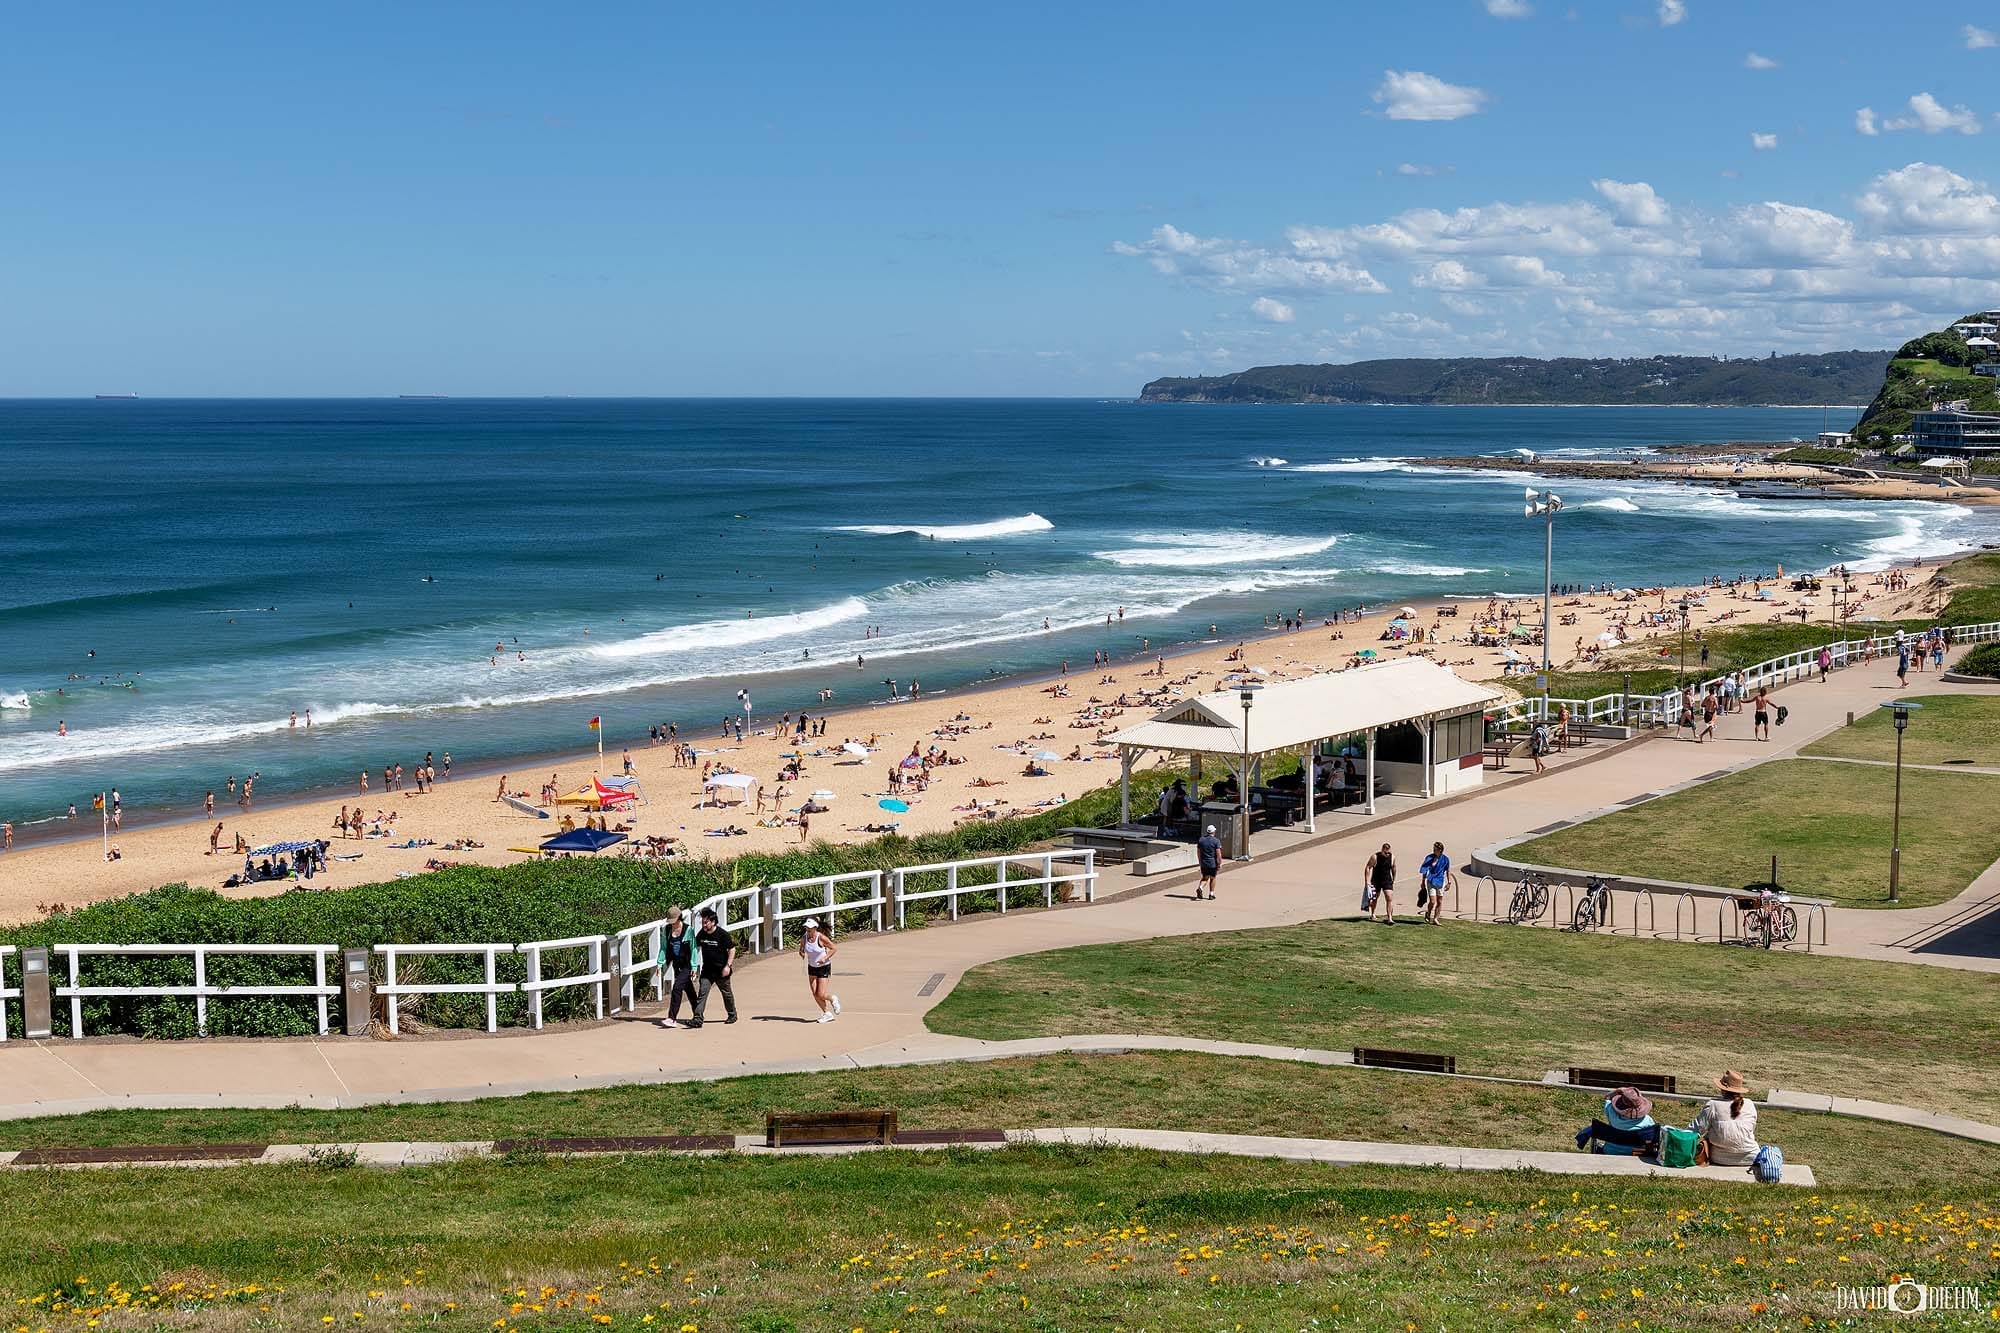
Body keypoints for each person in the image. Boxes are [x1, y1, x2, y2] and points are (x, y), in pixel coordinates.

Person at [1688, 1070, 1760, 1166]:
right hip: (1751, 1156)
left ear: (1722, 1089)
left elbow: (1695, 1130)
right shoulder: (1750, 1104)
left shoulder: (1713, 1105)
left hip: (1720, 1158)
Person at [687, 906, 737, 1027]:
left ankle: (732, 1014)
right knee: (702, 994)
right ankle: (698, 1019)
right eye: (703, 922)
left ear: (713, 922)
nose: (704, 925)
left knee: (727, 994)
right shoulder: (702, 934)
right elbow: (694, 948)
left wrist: (728, 966)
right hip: (707, 971)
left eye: (706, 922)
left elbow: (732, 949)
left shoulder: (722, 934)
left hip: (721, 971)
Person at [1574, 1085, 1658, 1156]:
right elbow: (1651, 1143)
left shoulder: (1611, 1112)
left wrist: (1618, 1090)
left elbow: (1607, 1097)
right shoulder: (1648, 1122)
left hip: (1609, 1151)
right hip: (1634, 1154)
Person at [657, 906, 698, 1028]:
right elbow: (664, 947)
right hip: (676, 964)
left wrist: (694, 967)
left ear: (679, 918)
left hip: (687, 965)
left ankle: (672, 1017)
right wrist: (660, 963)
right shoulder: (667, 930)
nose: (672, 923)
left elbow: (693, 949)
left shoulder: (688, 930)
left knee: (676, 988)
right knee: (689, 990)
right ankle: (698, 1013)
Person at [798, 916, 840, 1022]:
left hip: (823, 967)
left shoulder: (821, 938)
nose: (808, 929)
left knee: (820, 994)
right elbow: (802, 950)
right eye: (806, 927)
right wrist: (802, 953)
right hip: (812, 967)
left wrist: (824, 958)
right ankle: (827, 1013)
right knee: (814, 993)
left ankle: (832, 998)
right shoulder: (804, 938)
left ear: (815, 927)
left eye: (810, 927)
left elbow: (834, 948)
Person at [1417, 841, 1455, 924]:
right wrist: (1423, 881)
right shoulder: (1429, 858)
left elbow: (1448, 871)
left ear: (1440, 850)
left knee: (1440, 901)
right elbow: (1424, 870)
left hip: (1440, 881)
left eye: (1435, 849)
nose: (1434, 851)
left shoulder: (1445, 859)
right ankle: (1428, 913)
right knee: (1433, 901)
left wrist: (1449, 882)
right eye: (1433, 849)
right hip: (1431, 880)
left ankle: (1436, 918)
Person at [1363, 842, 1396, 923]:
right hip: (1376, 880)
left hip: (1387, 879)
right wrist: (1367, 881)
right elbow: (1368, 867)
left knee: (1389, 898)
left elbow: (1394, 868)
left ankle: (1390, 918)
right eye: (1385, 853)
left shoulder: (1392, 857)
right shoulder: (1375, 857)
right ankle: (1373, 914)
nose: (1387, 854)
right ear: (1382, 850)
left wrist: (1393, 879)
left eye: (1389, 852)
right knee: (1374, 899)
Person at [1194, 823, 1222, 900]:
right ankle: (1211, 894)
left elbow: (1198, 852)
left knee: (1205, 878)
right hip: (1212, 863)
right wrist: (1219, 863)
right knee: (1213, 878)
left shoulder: (1201, 840)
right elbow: (1218, 854)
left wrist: (1200, 861)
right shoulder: (1216, 841)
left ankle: (1200, 887)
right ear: (1213, 832)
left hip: (1204, 863)